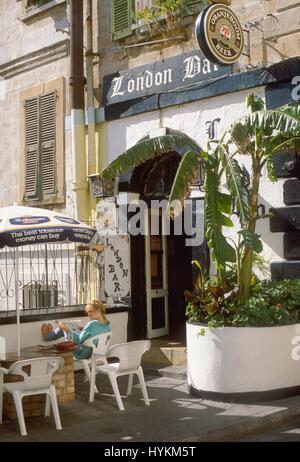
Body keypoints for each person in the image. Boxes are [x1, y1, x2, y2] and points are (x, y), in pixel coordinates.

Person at [41, 300, 111, 360]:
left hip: (83, 352)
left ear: (98, 310)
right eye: (88, 312)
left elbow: (78, 341)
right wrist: (83, 329)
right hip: (97, 352)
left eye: (90, 311)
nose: (88, 314)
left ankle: (47, 336)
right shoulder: (107, 324)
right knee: (71, 327)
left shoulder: (92, 324)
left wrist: (66, 329)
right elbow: (95, 333)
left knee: (64, 327)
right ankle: (50, 335)